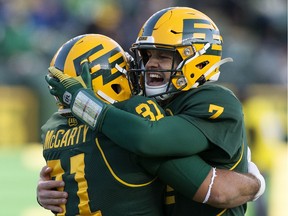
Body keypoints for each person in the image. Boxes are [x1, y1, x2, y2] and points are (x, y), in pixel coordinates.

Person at [43, 7, 265, 214]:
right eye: (148, 55)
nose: (150, 64)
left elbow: (149, 138)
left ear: (196, 59)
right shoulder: (141, 106)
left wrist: (84, 104)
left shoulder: (214, 99)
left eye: (162, 55)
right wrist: (254, 183)